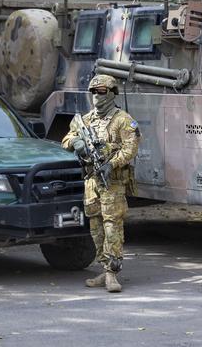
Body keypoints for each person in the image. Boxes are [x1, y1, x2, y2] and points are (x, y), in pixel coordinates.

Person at [62, 74, 140, 293]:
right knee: (96, 227)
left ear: (112, 93)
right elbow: (66, 139)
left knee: (112, 226)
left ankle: (113, 273)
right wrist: (77, 142)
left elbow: (130, 148)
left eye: (102, 92)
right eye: (93, 92)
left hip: (112, 182)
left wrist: (112, 163)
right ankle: (104, 269)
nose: (97, 96)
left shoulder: (123, 119)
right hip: (91, 183)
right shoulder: (85, 120)